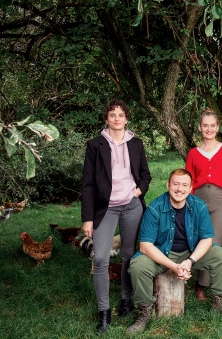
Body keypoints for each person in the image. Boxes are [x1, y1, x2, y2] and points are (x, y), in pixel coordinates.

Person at [126, 169, 222, 334]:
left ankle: (219, 301)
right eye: (176, 184)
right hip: (162, 254)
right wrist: (174, 266)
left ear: (190, 188)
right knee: (137, 264)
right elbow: (145, 246)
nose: (180, 189)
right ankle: (144, 311)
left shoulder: (199, 205)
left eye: (184, 185)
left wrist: (189, 261)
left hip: (190, 252)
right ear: (168, 185)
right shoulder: (155, 208)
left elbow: (207, 239)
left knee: (220, 255)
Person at [81, 99, 151, 332]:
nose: (117, 118)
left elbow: (145, 175)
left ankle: (125, 301)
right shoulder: (95, 145)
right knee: (100, 258)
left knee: (130, 256)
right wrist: (87, 218)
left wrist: (138, 191)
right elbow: (88, 184)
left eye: (121, 114)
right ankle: (104, 311)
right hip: (105, 209)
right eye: (113, 114)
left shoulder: (136, 144)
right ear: (106, 118)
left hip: (132, 206)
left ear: (127, 118)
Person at [185, 108, 222, 299]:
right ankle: (202, 282)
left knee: (214, 243)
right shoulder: (193, 153)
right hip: (198, 199)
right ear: (200, 128)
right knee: (200, 239)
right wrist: (187, 201)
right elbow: (189, 180)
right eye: (205, 126)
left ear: (217, 127)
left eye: (212, 125)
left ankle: (204, 285)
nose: (208, 129)